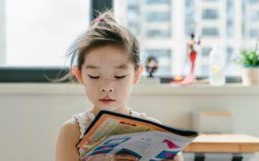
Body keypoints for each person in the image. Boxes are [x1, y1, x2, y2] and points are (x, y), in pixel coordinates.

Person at [55, 10, 183, 161]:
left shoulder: (155, 132)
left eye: (119, 76)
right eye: (94, 76)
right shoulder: (72, 131)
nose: (106, 87)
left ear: (136, 75)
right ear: (79, 75)